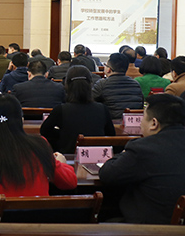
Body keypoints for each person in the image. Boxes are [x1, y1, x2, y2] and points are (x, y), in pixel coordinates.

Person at [0, 94, 77, 222]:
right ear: (22, 120)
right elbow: (69, 182)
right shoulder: (40, 145)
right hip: (37, 225)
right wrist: (59, 163)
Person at [99, 93, 185, 224]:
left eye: (143, 118)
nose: (140, 123)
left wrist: (123, 153)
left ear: (154, 123)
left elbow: (107, 174)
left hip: (150, 227)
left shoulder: (143, 149)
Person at [40, 65, 115, 154]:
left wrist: (62, 134)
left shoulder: (61, 110)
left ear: (67, 85)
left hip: (68, 157)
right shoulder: (102, 109)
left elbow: (44, 131)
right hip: (97, 157)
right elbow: (111, 136)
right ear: (90, 84)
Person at [92, 53, 143, 119]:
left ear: (109, 69)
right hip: (132, 123)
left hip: (110, 122)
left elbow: (90, 103)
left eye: (105, 65)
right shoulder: (136, 84)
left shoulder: (102, 84)